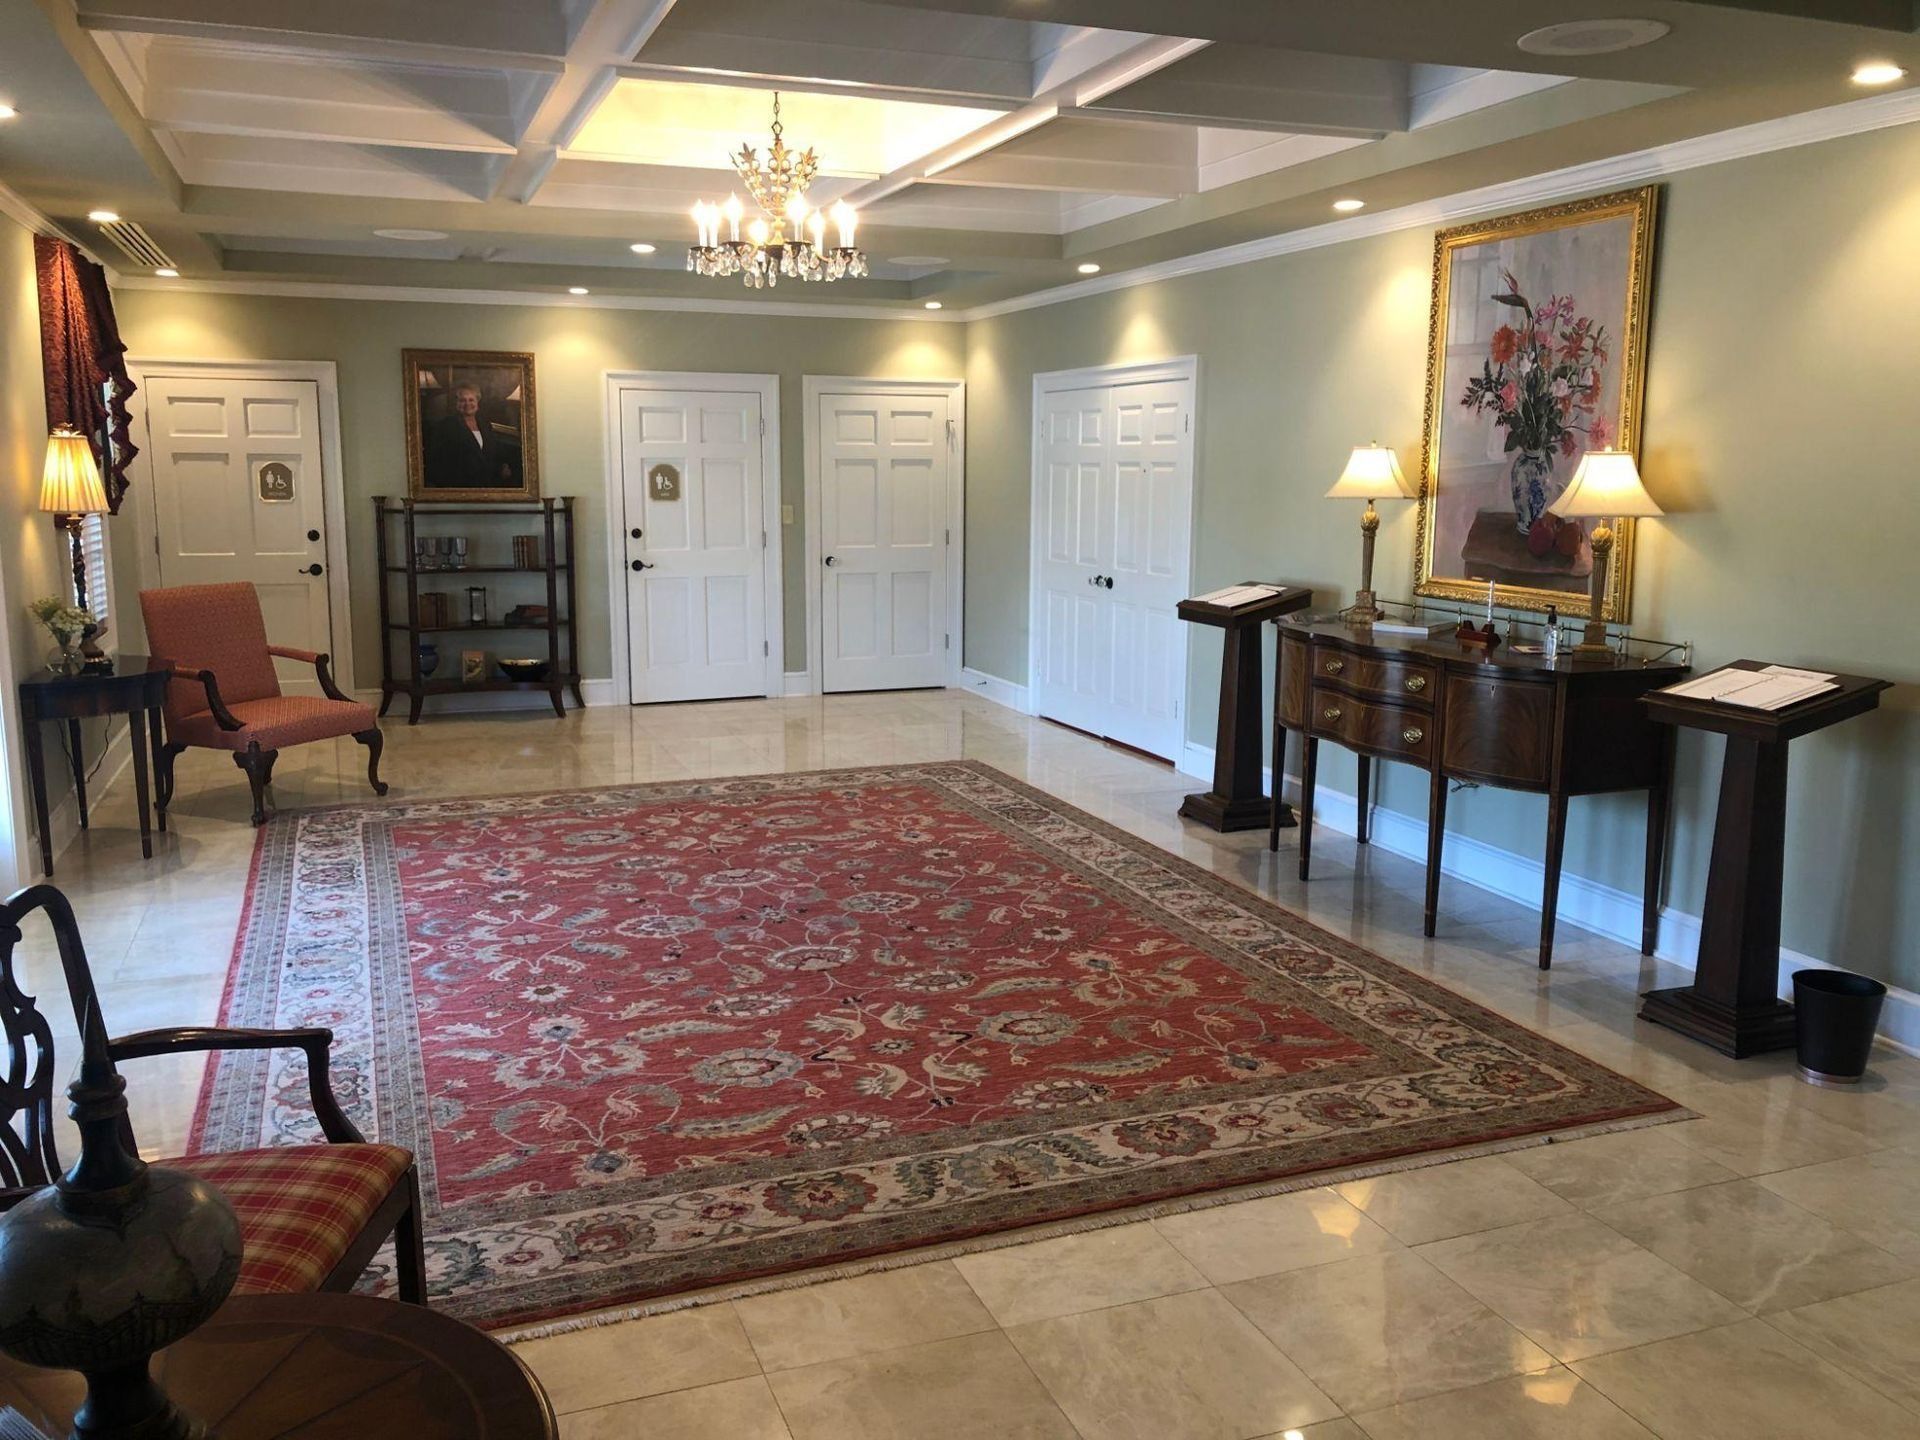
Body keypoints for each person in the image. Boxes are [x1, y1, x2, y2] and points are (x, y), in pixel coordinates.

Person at [424, 381, 521, 490]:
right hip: (460, 486)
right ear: (455, 403)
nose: (467, 404)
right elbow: (438, 462)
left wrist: (502, 466)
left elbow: (492, 452)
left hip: (486, 484)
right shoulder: (446, 425)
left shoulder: (485, 424)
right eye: (462, 400)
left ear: (477, 403)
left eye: (471, 400)